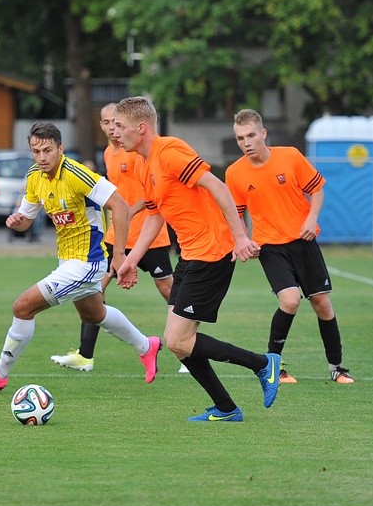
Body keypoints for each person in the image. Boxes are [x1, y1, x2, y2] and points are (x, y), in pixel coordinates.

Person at [114, 96, 280, 422]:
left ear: (141, 128)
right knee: (179, 343)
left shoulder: (171, 152)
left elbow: (218, 187)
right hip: (190, 254)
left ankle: (263, 364)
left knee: (176, 339)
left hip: (212, 252)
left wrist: (241, 237)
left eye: (120, 126)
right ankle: (226, 408)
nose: (115, 132)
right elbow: (155, 215)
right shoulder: (140, 163)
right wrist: (132, 259)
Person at [0, 122, 161, 390]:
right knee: (95, 314)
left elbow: (121, 206)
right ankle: (146, 346)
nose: (42, 157)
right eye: (36, 151)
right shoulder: (35, 176)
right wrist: (17, 221)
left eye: (47, 150)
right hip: (67, 259)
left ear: (60, 148)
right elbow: (27, 219)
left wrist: (118, 257)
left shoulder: (77, 174)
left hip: (87, 262)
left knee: (22, 307)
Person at [226, 109, 354, 385]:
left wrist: (311, 218)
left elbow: (317, 190)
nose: (246, 142)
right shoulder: (234, 173)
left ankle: (337, 367)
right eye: (239, 138)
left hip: (303, 242)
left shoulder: (291, 156)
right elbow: (234, 212)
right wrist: (243, 239)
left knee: (322, 303)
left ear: (263, 134)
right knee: (291, 300)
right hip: (270, 247)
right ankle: (273, 365)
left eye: (250, 135)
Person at [50, 103, 178, 373]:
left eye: (116, 123)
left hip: (148, 234)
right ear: (101, 125)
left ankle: (186, 348)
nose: (112, 128)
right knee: (93, 287)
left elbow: (152, 191)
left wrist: (128, 212)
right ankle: (85, 356)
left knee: (169, 290)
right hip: (115, 234)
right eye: (107, 122)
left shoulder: (136, 152)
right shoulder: (109, 153)